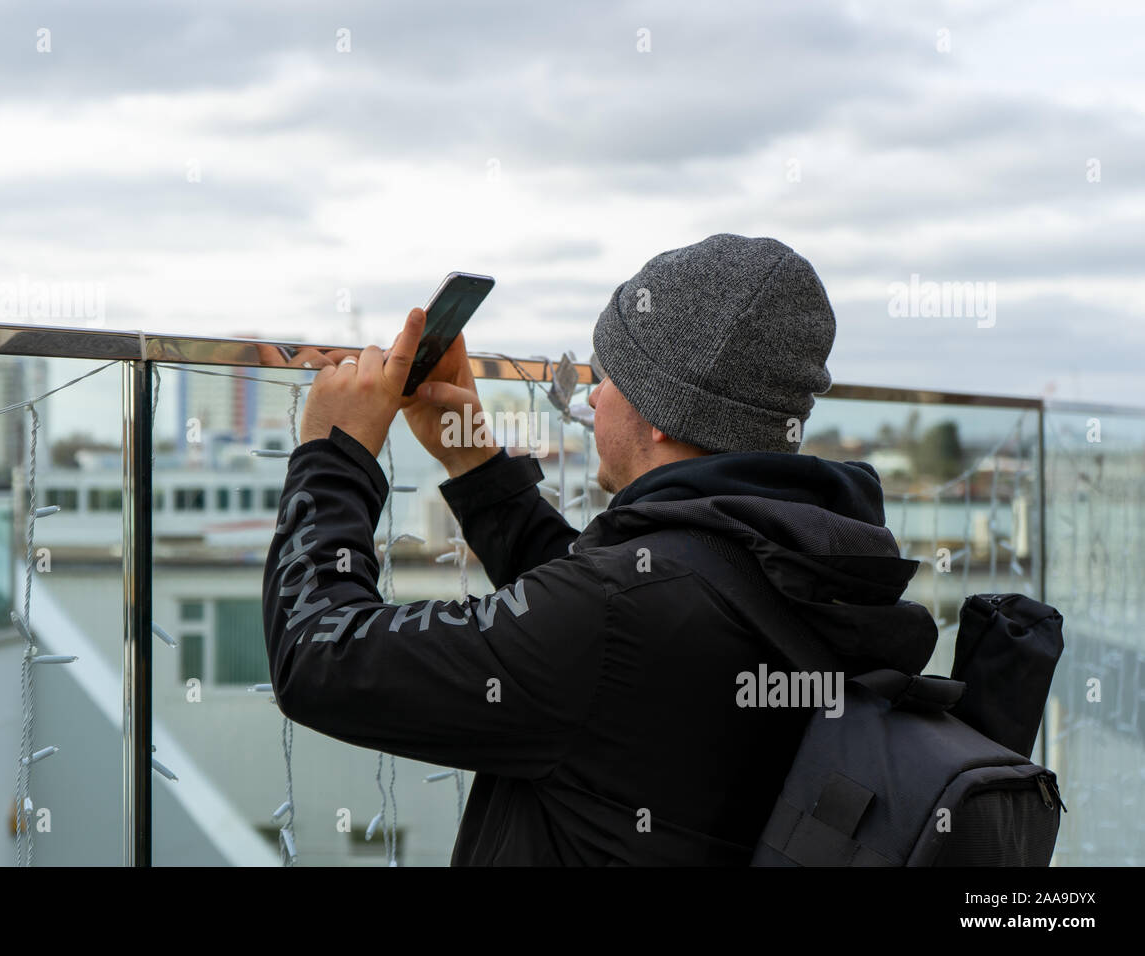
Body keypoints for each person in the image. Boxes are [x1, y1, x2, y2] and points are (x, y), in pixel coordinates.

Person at [262, 233, 938, 865]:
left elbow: (322, 654)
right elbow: (600, 619)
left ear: (657, 412)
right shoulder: (799, 562)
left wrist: (333, 456)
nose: (590, 397)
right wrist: (472, 456)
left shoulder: (623, 611)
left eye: (605, 375)